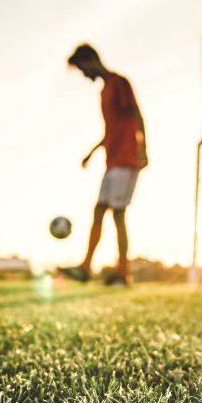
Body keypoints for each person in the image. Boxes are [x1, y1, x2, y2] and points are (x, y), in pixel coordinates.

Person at [61, 43, 147, 286]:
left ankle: (123, 273)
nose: (84, 75)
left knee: (118, 214)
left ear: (90, 61)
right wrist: (92, 152)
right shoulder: (103, 91)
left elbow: (136, 114)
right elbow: (112, 130)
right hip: (112, 161)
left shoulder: (119, 83)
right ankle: (86, 267)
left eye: (82, 69)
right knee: (99, 211)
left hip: (127, 158)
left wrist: (144, 149)